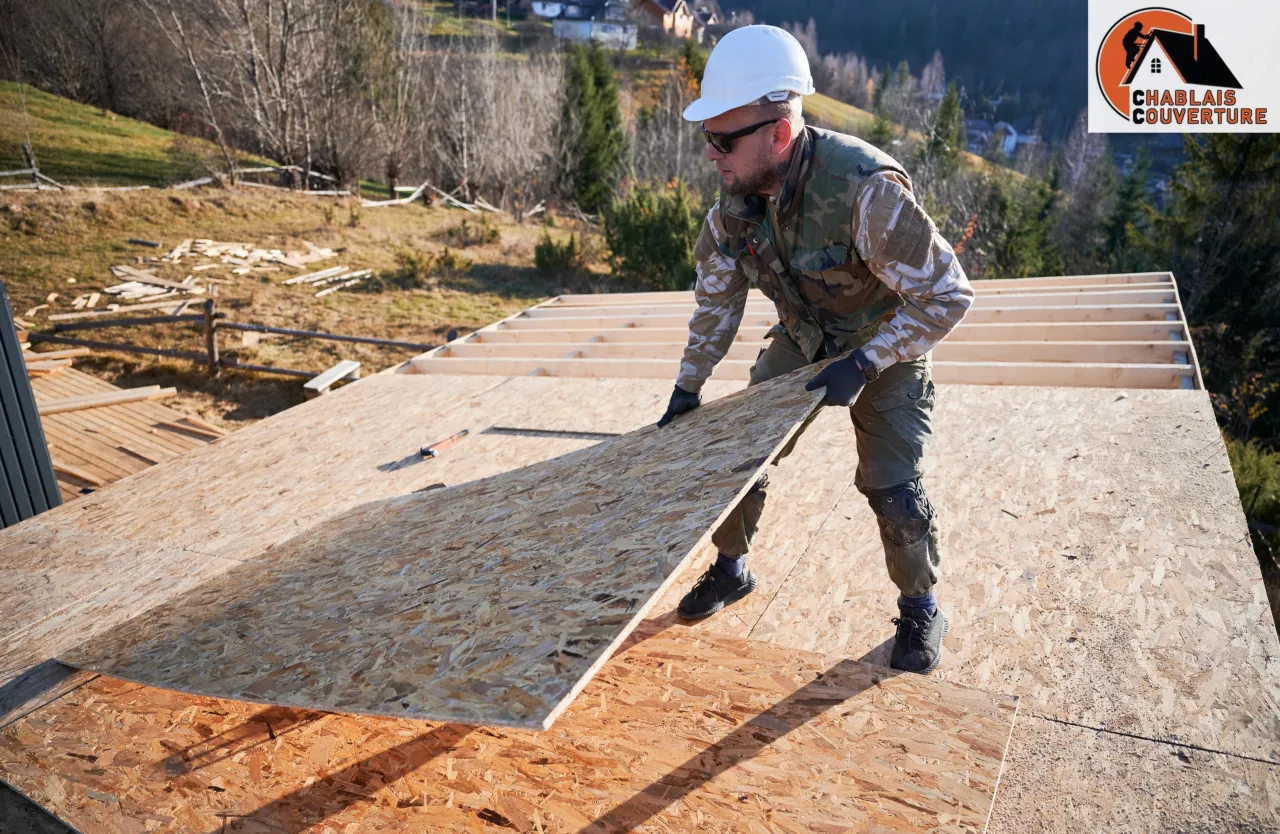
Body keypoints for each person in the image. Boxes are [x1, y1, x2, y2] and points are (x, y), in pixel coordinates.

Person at [656, 25, 974, 674]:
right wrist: (689, 388)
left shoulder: (865, 191)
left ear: (778, 131)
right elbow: (717, 303)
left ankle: (921, 608)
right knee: (737, 459)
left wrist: (865, 362)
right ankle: (732, 568)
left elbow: (947, 296)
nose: (711, 155)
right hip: (803, 339)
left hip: (885, 344)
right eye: (707, 138)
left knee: (893, 490)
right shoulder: (733, 207)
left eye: (723, 139)